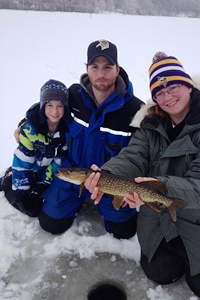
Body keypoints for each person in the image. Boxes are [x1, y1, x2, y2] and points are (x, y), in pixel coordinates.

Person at [84, 52, 200, 300]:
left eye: (173, 87)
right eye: (159, 93)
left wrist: (159, 187)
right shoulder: (151, 124)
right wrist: (107, 175)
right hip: (160, 215)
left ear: (188, 85)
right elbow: (134, 156)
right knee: (159, 273)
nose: (167, 97)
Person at [29, 40, 143, 237]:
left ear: (117, 69)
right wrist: (27, 123)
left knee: (124, 232)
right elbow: (46, 108)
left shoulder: (135, 111)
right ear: (87, 69)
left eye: (107, 67)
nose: (101, 73)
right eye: (95, 67)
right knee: (51, 224)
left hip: (111, 183)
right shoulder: (73, 95)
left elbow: (141, 154)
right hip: (72, 175)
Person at [0, 79, 71, 217]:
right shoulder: (30, 130)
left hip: (44, 171)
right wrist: (22, 191)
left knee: (40, 206)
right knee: (27, 206)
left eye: (60, 106)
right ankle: (8, 179)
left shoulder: (66, 131)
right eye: (50, 105)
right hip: (29, 168)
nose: (55, 111)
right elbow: (23, 161)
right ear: (42, 105)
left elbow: (59, 160)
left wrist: (44, 182)